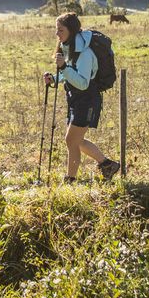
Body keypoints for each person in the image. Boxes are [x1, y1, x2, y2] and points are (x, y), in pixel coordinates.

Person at [45, 12, 121, 183]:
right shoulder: (70, 47)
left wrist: (63, 67)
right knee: (76, 141)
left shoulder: (84, 53)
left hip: (87, 100)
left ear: (71, 30)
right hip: (75, 99)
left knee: (71, 140)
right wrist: (55, 79)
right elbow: (70, 74)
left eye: (60, 30)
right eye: (56, 29)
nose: (57, 34)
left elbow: (83, 83)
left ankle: (70, 180)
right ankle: (108, 165)